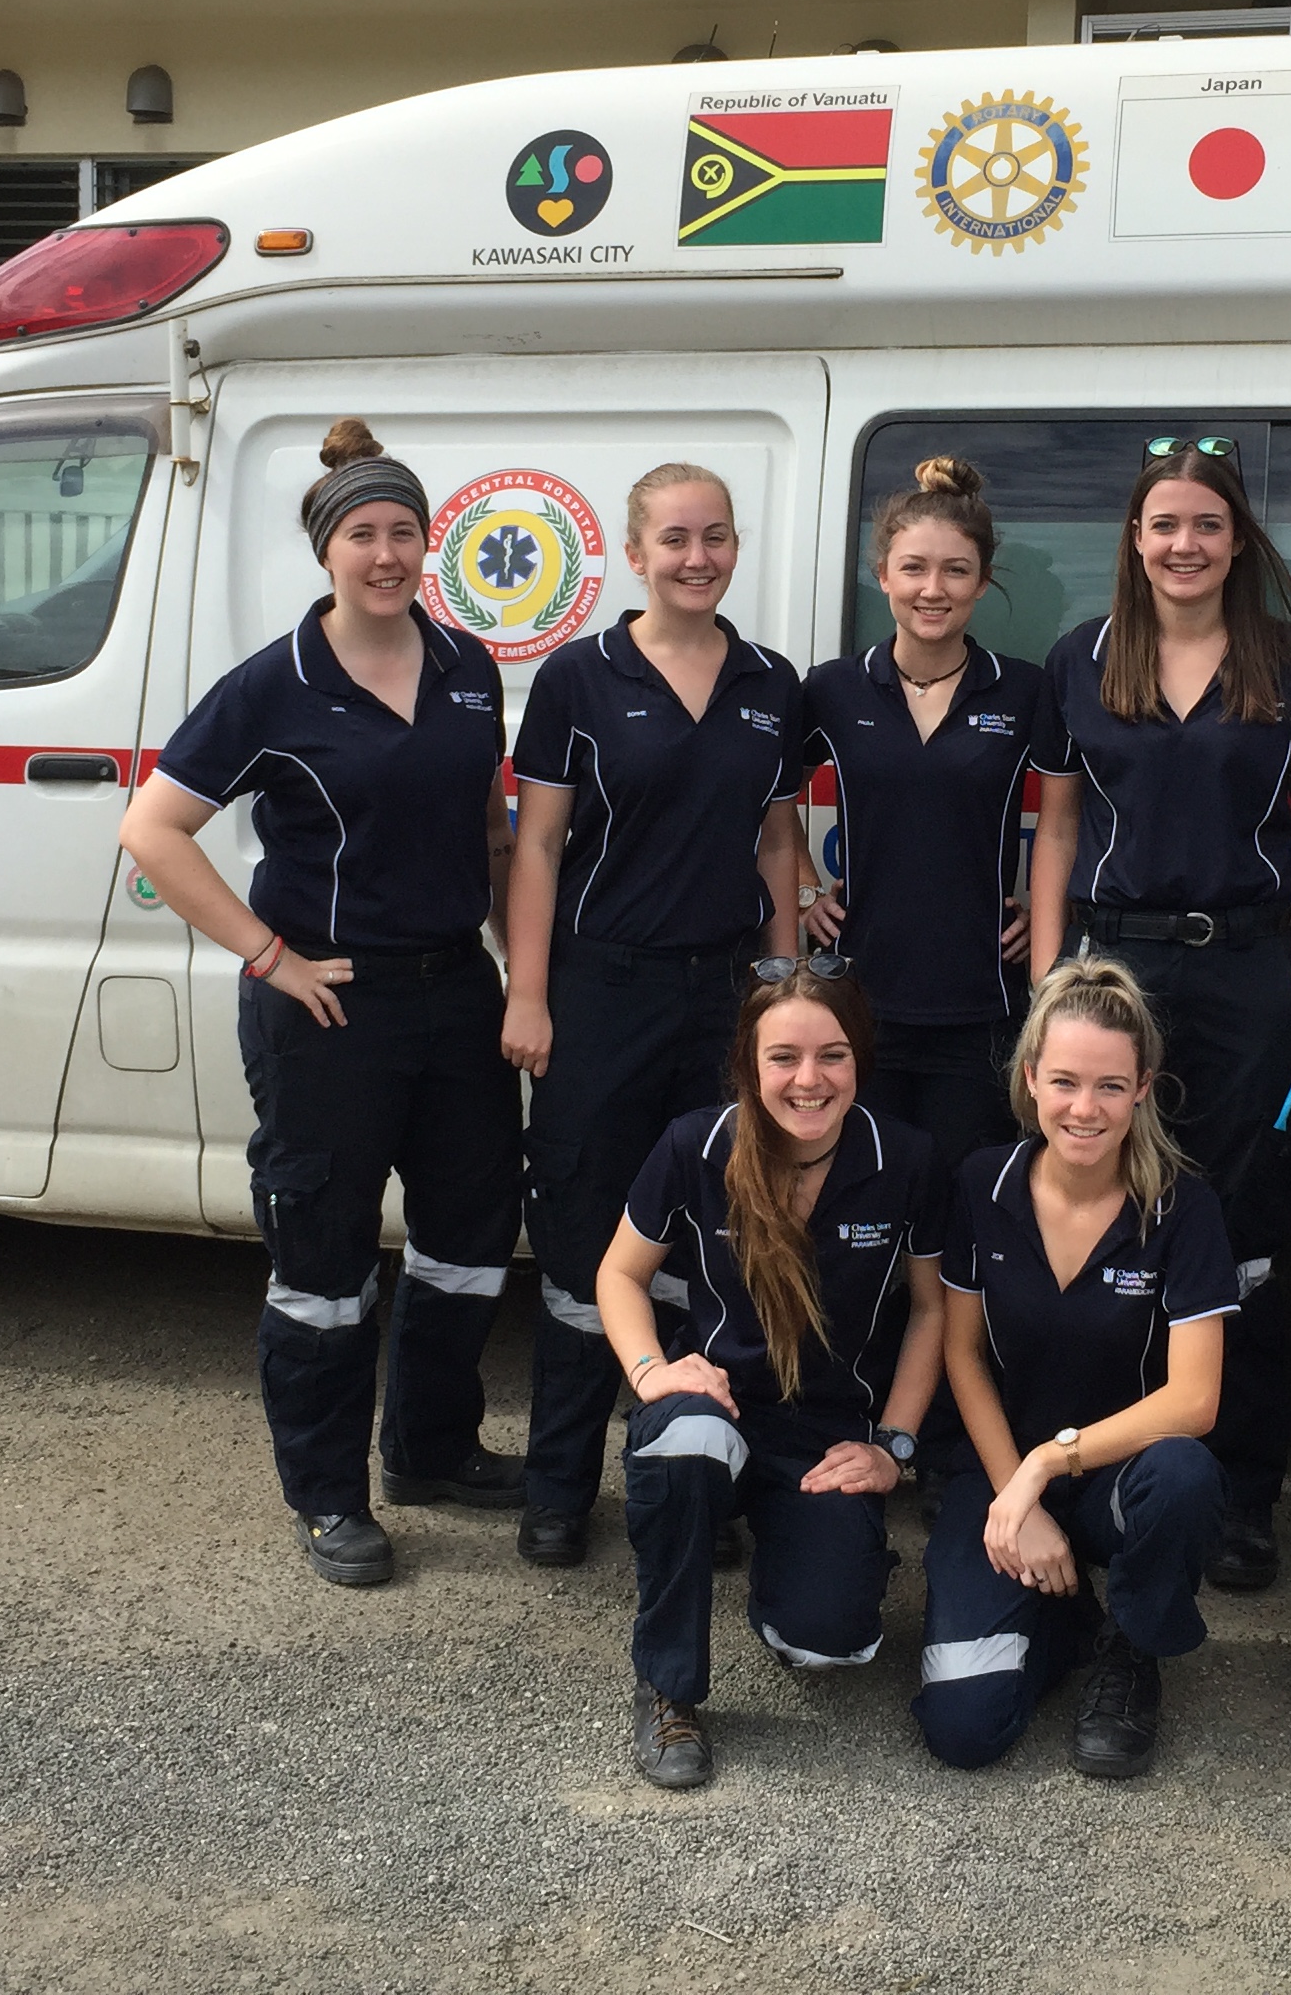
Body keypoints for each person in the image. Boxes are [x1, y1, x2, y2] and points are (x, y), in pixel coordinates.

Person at [120, 418, 524, 1587]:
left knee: (466, 1247)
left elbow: (488, 840)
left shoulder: (466, 670)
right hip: (330, 1013)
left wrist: (517, 977)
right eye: (363, 534)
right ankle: (330, 1496)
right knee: (326, 1266)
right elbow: (153, 830)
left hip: (457, 995)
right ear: (327, 551)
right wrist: (267, 954)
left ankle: (432, 1452)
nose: (386, 554)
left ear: (428, 542)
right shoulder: (272, 687)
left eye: (404, 531)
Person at [1026, 436, 1291, 1593]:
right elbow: (1056, 828)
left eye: (1206, 525)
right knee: (1115, 1227)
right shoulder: (1083, 658)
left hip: (1248, 974)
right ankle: (1110, 1474)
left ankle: (1242, 1497)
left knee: (1245, 1241)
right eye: (1163, 525)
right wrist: (1052, 980)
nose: (1184, 544)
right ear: (1134, 539)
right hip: (1115, 977)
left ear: (1237, 542)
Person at [501, 462, 809, 1568]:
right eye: (675, 539)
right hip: (601, 989)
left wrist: (784, 983)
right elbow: (536, 845)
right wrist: (529, 993)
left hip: (726, 994)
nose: (697, 557)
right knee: (588, 1242)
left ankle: (689, 1479)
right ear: (634, 555)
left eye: (715, 537)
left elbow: (780, 846)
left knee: (716, 1246)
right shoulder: (579, 678)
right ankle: (558, 1486)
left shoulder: (775, 684)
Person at [596, 965, 947, 1790]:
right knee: (685, 1446)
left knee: (829, 1642)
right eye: (784, 1056)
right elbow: (618, 1276)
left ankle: (781, 1551)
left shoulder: (907, 1159)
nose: (809, 1080)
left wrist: (892, 1446)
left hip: (825, 1434)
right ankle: (668, 1687)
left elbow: (933, 1313)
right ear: (750, 1065)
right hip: (715, 1403)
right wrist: (651, 1373)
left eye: (832, 1055)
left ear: (859, 1059)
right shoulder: (696, 1145)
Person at [914, 958, 1235, 1779]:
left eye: (1108, 1086)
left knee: (1186, 1475)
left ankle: (1132, 1648)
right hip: (997, 1469)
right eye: (1063, 1081)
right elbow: (961, 1351)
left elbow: (1195, 1401)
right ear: (1029, 1079)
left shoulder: (1183, 1208)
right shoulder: (983, 1182)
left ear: (1143, 1088)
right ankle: (1064, 1617)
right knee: (963, 1728)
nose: (1083, 1108)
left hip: (1116, 1478)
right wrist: (1015, 1497)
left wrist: (1046, 1469)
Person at [797, 456, 1047, 1177]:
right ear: (883, 576)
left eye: (955, 571)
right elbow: (758, 791)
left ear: (983, 581)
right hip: (859, 995)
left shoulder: (1024, 693)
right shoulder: (833, 689)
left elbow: (1073, 816)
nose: (932, 590)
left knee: (964, 1191)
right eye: (913, 569)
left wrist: (1044, 907)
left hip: (982, 999)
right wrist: (806, 890)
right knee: (864, 1191)